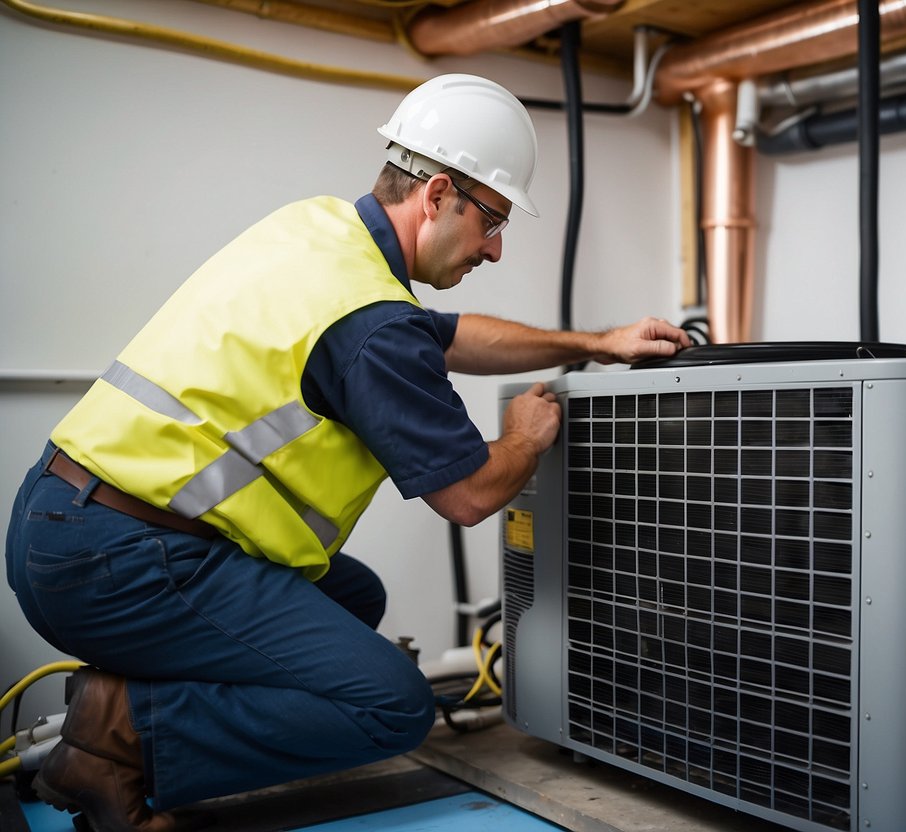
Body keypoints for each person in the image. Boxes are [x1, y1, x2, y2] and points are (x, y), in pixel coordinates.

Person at [4, 73, 690, 832]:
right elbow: (467, 495)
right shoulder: (371, 323)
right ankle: (116, 730)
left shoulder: (319, 233)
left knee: (351, 594)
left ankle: (128, 714)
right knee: (392, 706)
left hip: (60, 521)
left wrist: (593, 341)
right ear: (436, 195)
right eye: (491, 220)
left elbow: (453, 335)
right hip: (120, 563)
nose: (494, 249)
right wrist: (524, 439)